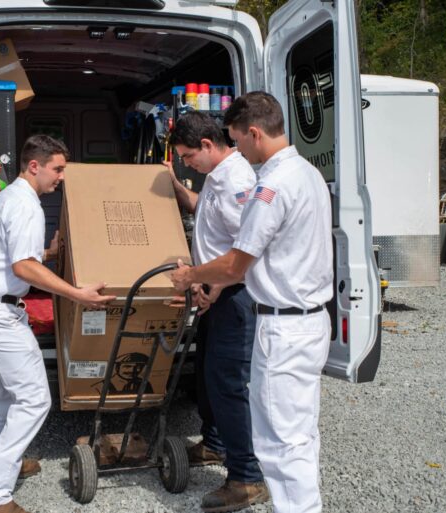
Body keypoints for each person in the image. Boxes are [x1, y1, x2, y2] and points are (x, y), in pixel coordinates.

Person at [170, 92, 334, 513]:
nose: (237, 149)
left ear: (255, 134)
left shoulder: (268, 186)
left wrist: (192, 276)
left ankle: (254, 482)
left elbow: (237, 263)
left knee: (280, 439)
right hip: (305, 318)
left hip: (282, 322)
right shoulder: (307, 173)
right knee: (297, 433)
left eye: (238, 140)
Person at [0, 134, 115, 513]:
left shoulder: (5, 199)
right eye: (57, 169)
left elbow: (13, 254)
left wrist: (47, 252)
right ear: (34, 166)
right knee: (35, 400)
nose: (61, 176)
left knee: (6, 397)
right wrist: (78, 294)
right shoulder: (27, 205)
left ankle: (2, 464)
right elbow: (23, 267)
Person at [166, 111, 267, 512]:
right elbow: (203, 214)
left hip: (234, 296)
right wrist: (175, 186)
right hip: (215, 294)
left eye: (189, 157)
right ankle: (214, 444)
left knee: (227, 385)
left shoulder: (237, 182)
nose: (187, 163)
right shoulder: (216, 178)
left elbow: (248, 249)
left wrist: (214, 284)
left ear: (208, 145)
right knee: (207, 379)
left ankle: (247, 477)